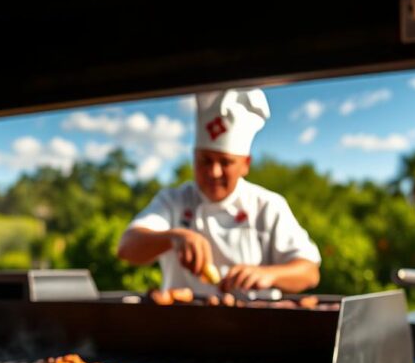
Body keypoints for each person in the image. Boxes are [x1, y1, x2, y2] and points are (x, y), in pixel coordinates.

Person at [117, 88, 321, 294]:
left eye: (225, 162)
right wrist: (174, 237)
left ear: (245, 164)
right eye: (205, 160)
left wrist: (269, 274)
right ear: (194, 157)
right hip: (180, 323)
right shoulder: (173, 200)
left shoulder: (267, 205)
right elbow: (127, 247)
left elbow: (310, 272)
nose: (213, 172)